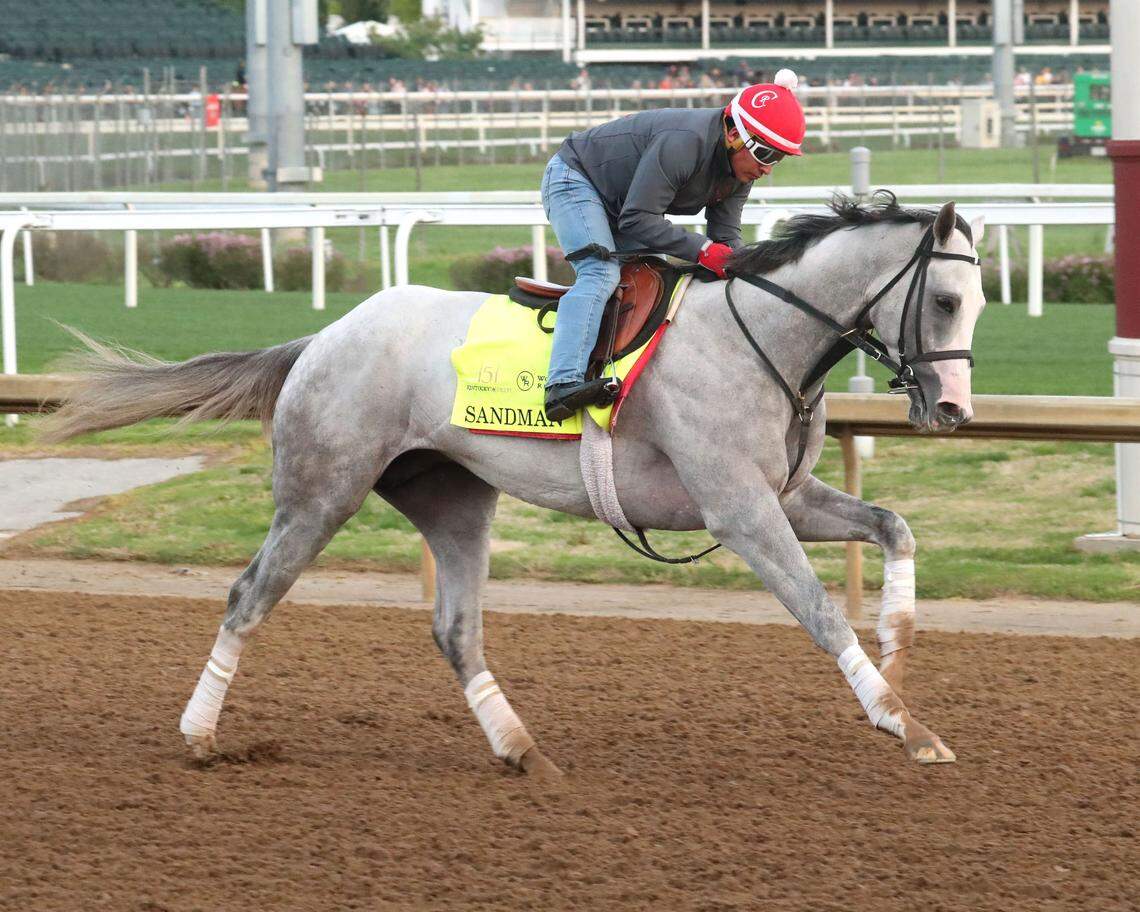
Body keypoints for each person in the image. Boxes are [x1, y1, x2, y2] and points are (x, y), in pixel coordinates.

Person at [540, 68, 806, 421]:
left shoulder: (740, 171)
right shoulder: (684, 143)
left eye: (779, 158)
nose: (768, 168)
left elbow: (726, 239)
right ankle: (563, 382)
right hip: (576, 178)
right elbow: (637, 219)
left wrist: (745, 268)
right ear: (733, 133)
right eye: (766, 154)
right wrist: (703, 251)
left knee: (656, 282)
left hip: (624, 202)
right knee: (601, 273)